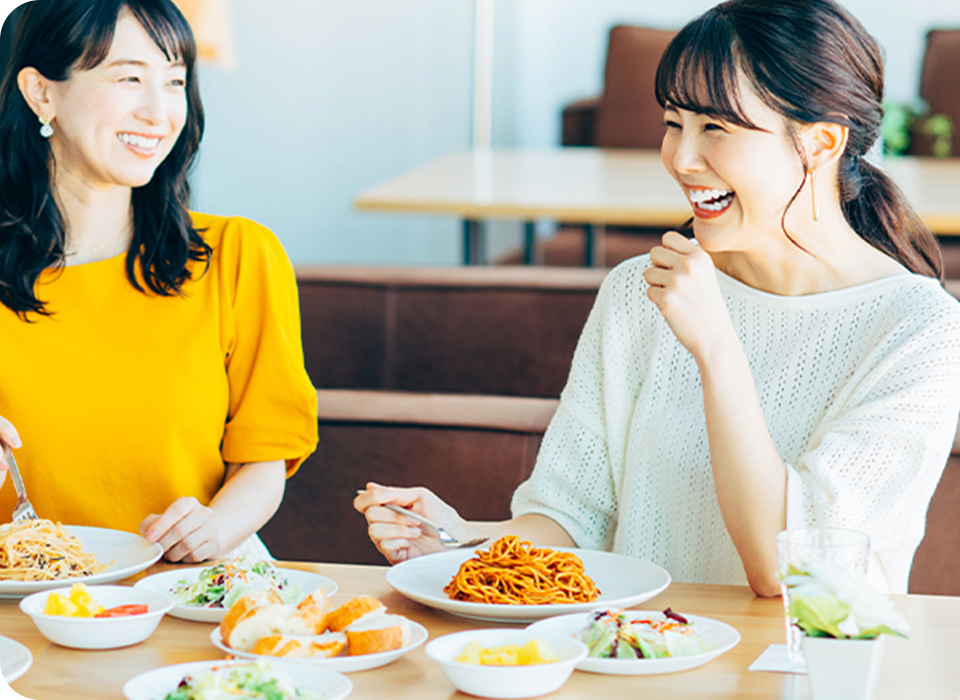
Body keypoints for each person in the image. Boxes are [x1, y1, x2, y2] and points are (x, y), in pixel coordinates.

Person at [355, 0, 960, 596]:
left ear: (821, 143)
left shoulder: (919, 330)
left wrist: (716, 349)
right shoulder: (639, 291)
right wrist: (460, 543)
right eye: (674, 123)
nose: (681, 158)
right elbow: (571, 514)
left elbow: (790, 574)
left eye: (715, 127)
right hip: (637, 665)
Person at [0, 0, 318, 563]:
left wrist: (213, 529)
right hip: (24, 607)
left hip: (194, 592)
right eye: (129, 78)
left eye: (174, 82)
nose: (158, 111)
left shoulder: (238, 255)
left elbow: (264, 459)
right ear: (41, 92)